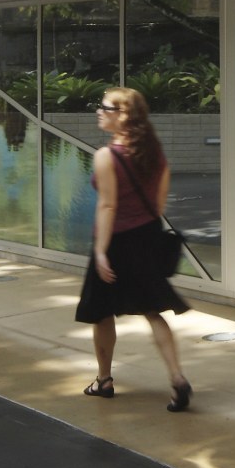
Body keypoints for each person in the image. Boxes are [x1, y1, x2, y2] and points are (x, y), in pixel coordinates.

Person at [75, 85, 193, 409]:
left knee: (102, 312)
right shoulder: (155, 155)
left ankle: (104, 380)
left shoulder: (107, 156)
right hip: (147, 237)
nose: (99, 111)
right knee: (153, 311)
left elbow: (108, 206)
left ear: (123, 115)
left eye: (106, 107)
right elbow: (159, 203)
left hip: (115, 241)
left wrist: (100, 251)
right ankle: (177, 378)